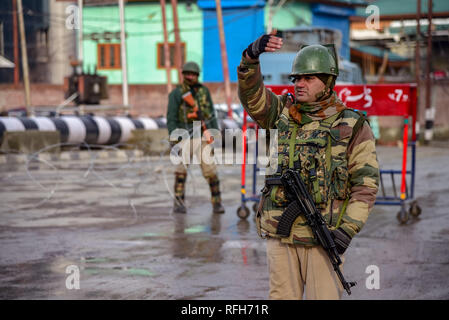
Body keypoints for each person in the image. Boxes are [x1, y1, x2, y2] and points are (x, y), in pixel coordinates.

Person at [237, 31, 380, 299]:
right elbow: (251, 96)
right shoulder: (281, 113)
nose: (299, 84)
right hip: (281, 234)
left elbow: (365, 185)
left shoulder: (351, 125)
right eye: (296, 78)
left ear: (327, 82)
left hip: (321, 238)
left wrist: (347, 230)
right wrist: (251, 58)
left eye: (308, 78)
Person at [167, 61, 225, 214]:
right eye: (187, 74)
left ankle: (217, 203)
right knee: (181, 171)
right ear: (183, 75)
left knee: (210, 170)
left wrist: (213, 131)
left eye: (193, 74)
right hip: (184, 135)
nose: (190, 77)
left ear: (197, 75)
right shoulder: (177, 94)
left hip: (202, 136)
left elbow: (211, 112)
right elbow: (171, 117)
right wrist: (174, 137)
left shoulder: (203, 92)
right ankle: (178, 203)